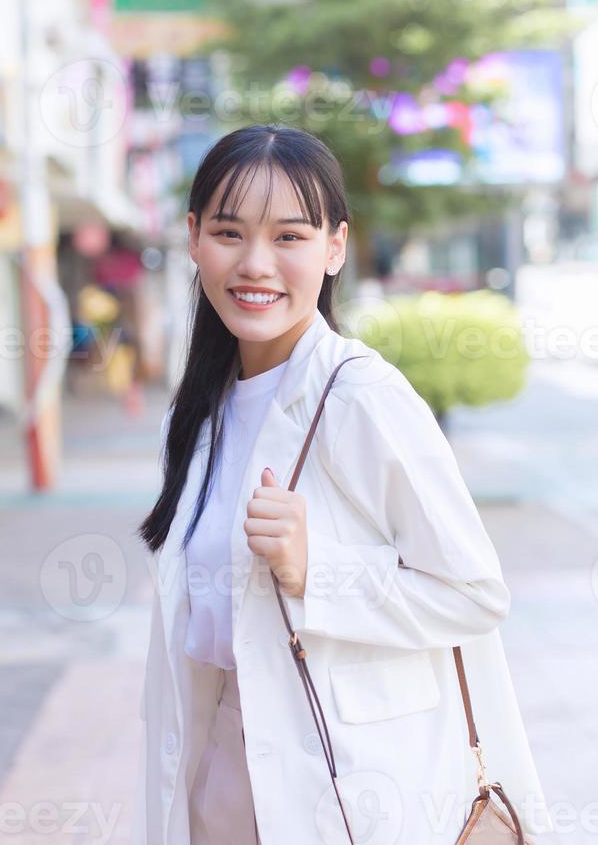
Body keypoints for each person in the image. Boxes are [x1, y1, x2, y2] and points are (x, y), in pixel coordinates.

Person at [131, 124, 552, 845]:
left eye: (290, 236)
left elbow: (475, 592)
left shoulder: (361, 399)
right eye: (230, 233)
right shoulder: (202, 408)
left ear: (335, 247)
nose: (256, 264)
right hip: (221, 779)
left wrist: (312, 570)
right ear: (195, 238)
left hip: (346, 788)